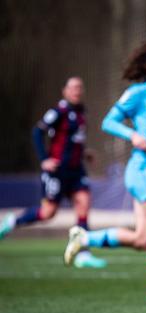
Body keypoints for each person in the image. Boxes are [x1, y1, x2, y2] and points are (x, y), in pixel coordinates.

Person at [63, 41, 146, 309]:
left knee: (143, 239)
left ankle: (85, 238)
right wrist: (132, 135)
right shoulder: (138, 94)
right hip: (143, 170)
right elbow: (108, 122)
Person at [0, 77, 107, 269]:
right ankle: (12, 221)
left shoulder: (81, 112)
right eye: (72, 87)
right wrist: (44, 160)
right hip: (57, 171)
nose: (77, 91)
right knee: (47, 213)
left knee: (83, 205)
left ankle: (83, 253)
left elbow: (72, 141)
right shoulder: (59, 112)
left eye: (79, 87)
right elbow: (37, 132)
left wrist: (85, 153)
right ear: (64, 91)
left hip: (76, 171)